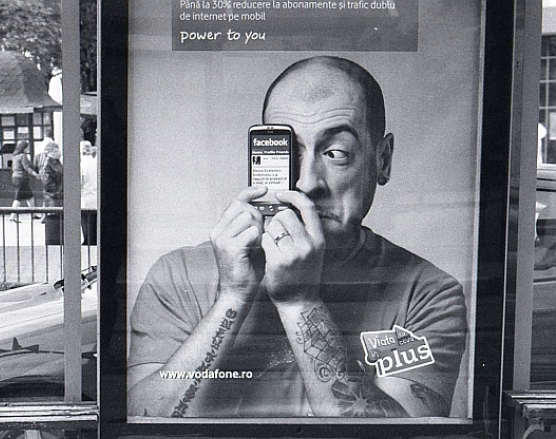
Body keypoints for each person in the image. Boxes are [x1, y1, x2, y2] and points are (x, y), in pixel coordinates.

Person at [127, 56, 467, 419]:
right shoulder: (178, 275)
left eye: (336, 153)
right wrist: (233, 295)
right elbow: (144, 421)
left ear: (382, 160)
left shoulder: (428, 294)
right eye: (288, 151)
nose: (307, 183)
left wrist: (299, 302)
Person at [9, 139, 38, 222]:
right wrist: (35, 174)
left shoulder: (15, 156)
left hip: (15, 177)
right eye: (27, 147)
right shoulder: (22, 156)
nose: (28, 149)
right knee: (18, 198)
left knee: (30, 196)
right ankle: (12, 216)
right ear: (24, 147)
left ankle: (34, 214)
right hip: (22, 178)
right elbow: (27, 167)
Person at [80, 140, 98, 245]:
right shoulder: (95, 163)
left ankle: (88, 240)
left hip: (85, 197)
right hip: (95, 196)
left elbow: (79, 182)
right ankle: (94, 240)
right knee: (94, 221)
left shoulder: (81, 165)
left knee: (85, 221)